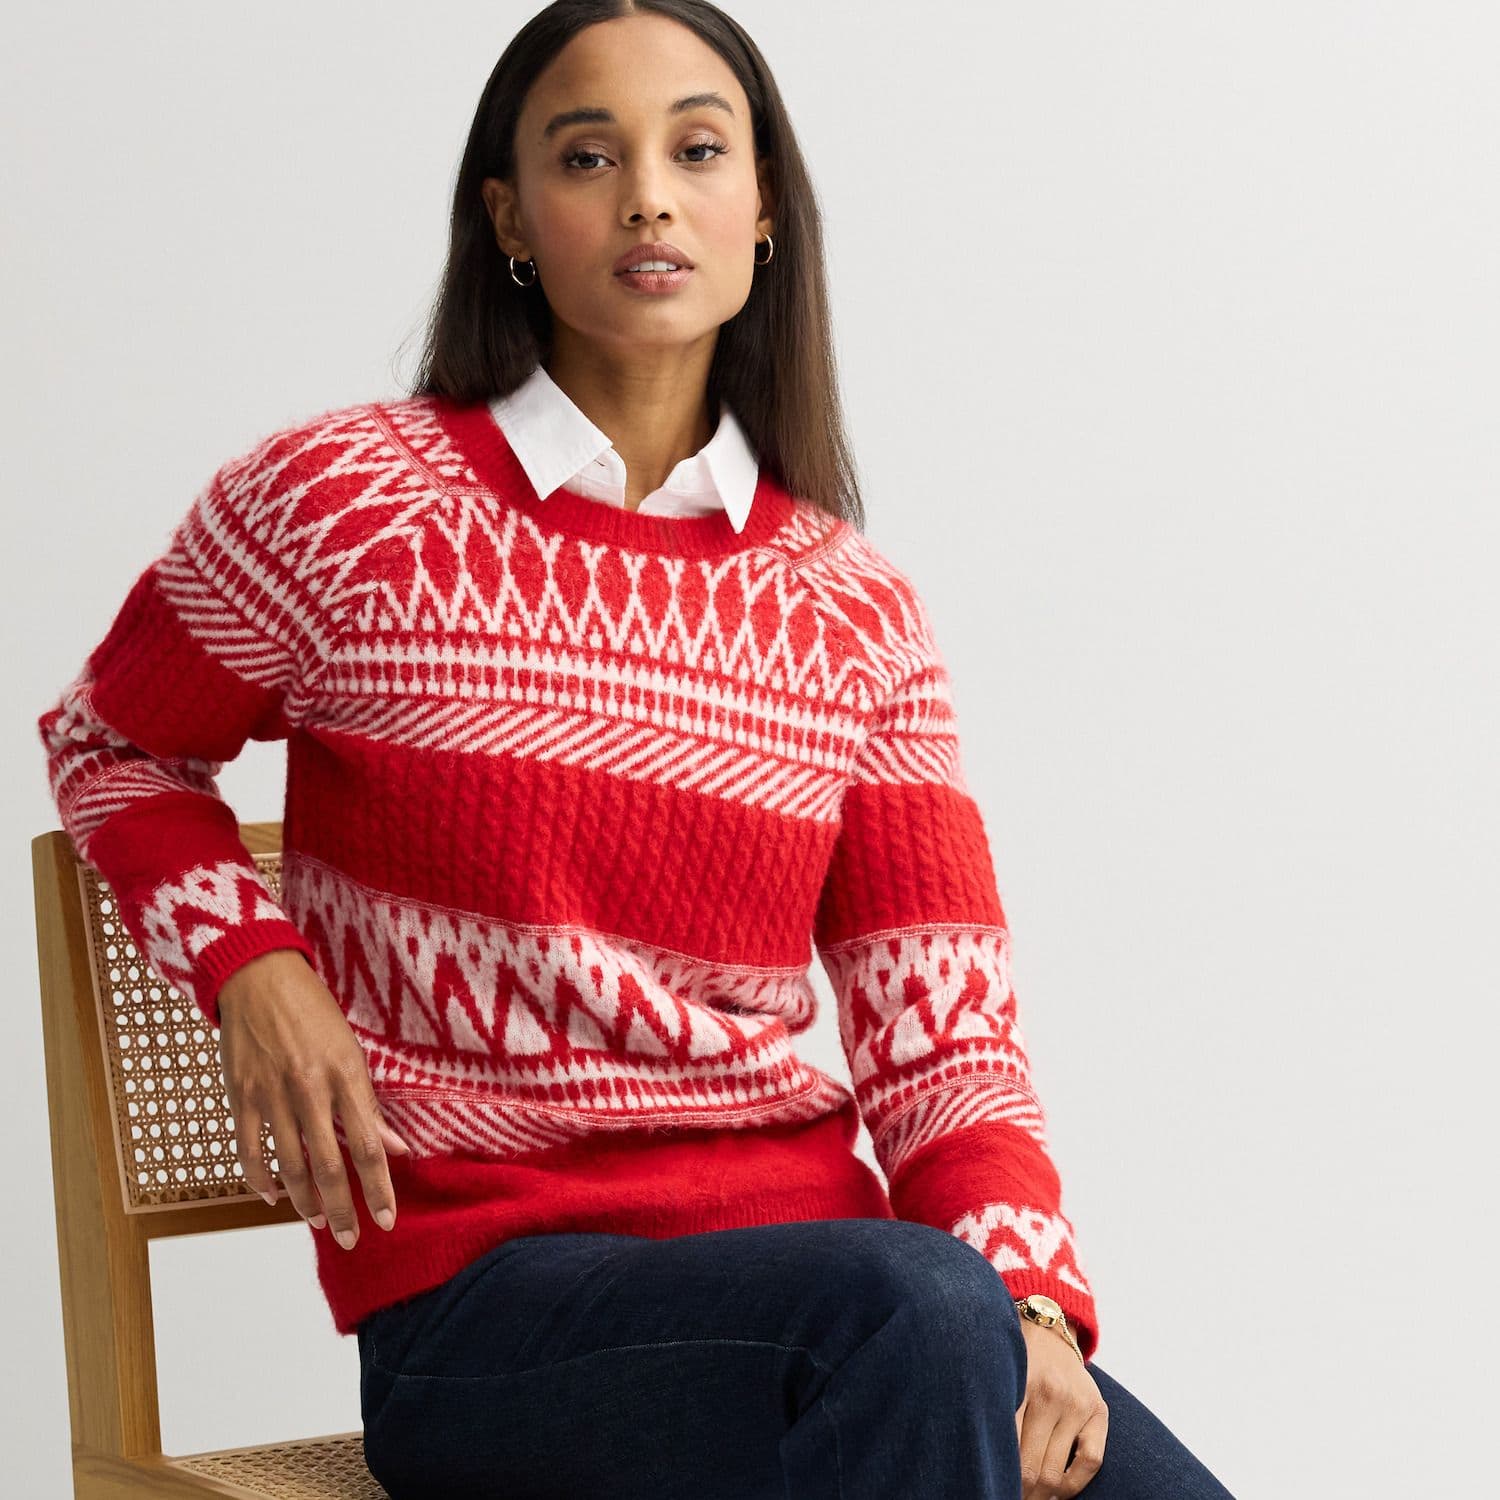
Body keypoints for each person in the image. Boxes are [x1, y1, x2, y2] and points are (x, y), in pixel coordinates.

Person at [36, 3, 1236, 1495]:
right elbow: (115, 746)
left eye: (698, 151)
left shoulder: (850, 612)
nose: (650, 198)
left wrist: (1034, 1309)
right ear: (509, 218)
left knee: (1033, 1388)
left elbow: (947, 1041)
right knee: (918, 1314)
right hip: (487, 1314)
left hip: (838, 1309)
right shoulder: (346, 505)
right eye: (588, 156)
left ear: (765, 210)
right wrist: (256, 969)